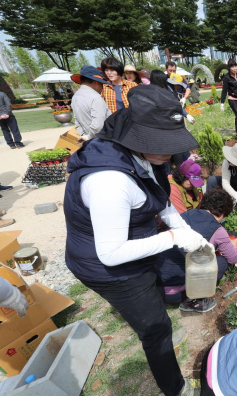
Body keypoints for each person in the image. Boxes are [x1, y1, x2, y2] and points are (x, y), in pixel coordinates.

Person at [64, 85, 208, 396]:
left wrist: (182, 226)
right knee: (154, 329)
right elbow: (112, 254)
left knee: (155, 289)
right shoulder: (109, 182)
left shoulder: (146, 157)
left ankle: (164, 328)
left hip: (136, 244)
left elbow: (160, 196)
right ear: (137, 137)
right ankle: (176, 388)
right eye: (162, 145)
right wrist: (173, 237)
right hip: (108, 268)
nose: (168, 153)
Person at [154, 187, 237, 312]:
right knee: (221, 262)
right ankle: (193, 300)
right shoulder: (217, 229)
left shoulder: (183, 216)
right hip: (174, 293)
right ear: (223, 213)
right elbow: (234, 258)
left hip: (155, 284)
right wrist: (233, 245)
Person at [70, 65, 112, 141]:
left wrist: (84, 135)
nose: (102, 88)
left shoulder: (75, 96)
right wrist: (89, 136)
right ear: (96, 82)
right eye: (102, 84)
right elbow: (98, 126)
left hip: (89, 139)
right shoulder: (96, 98)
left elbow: (77, 120)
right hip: (103, 139)